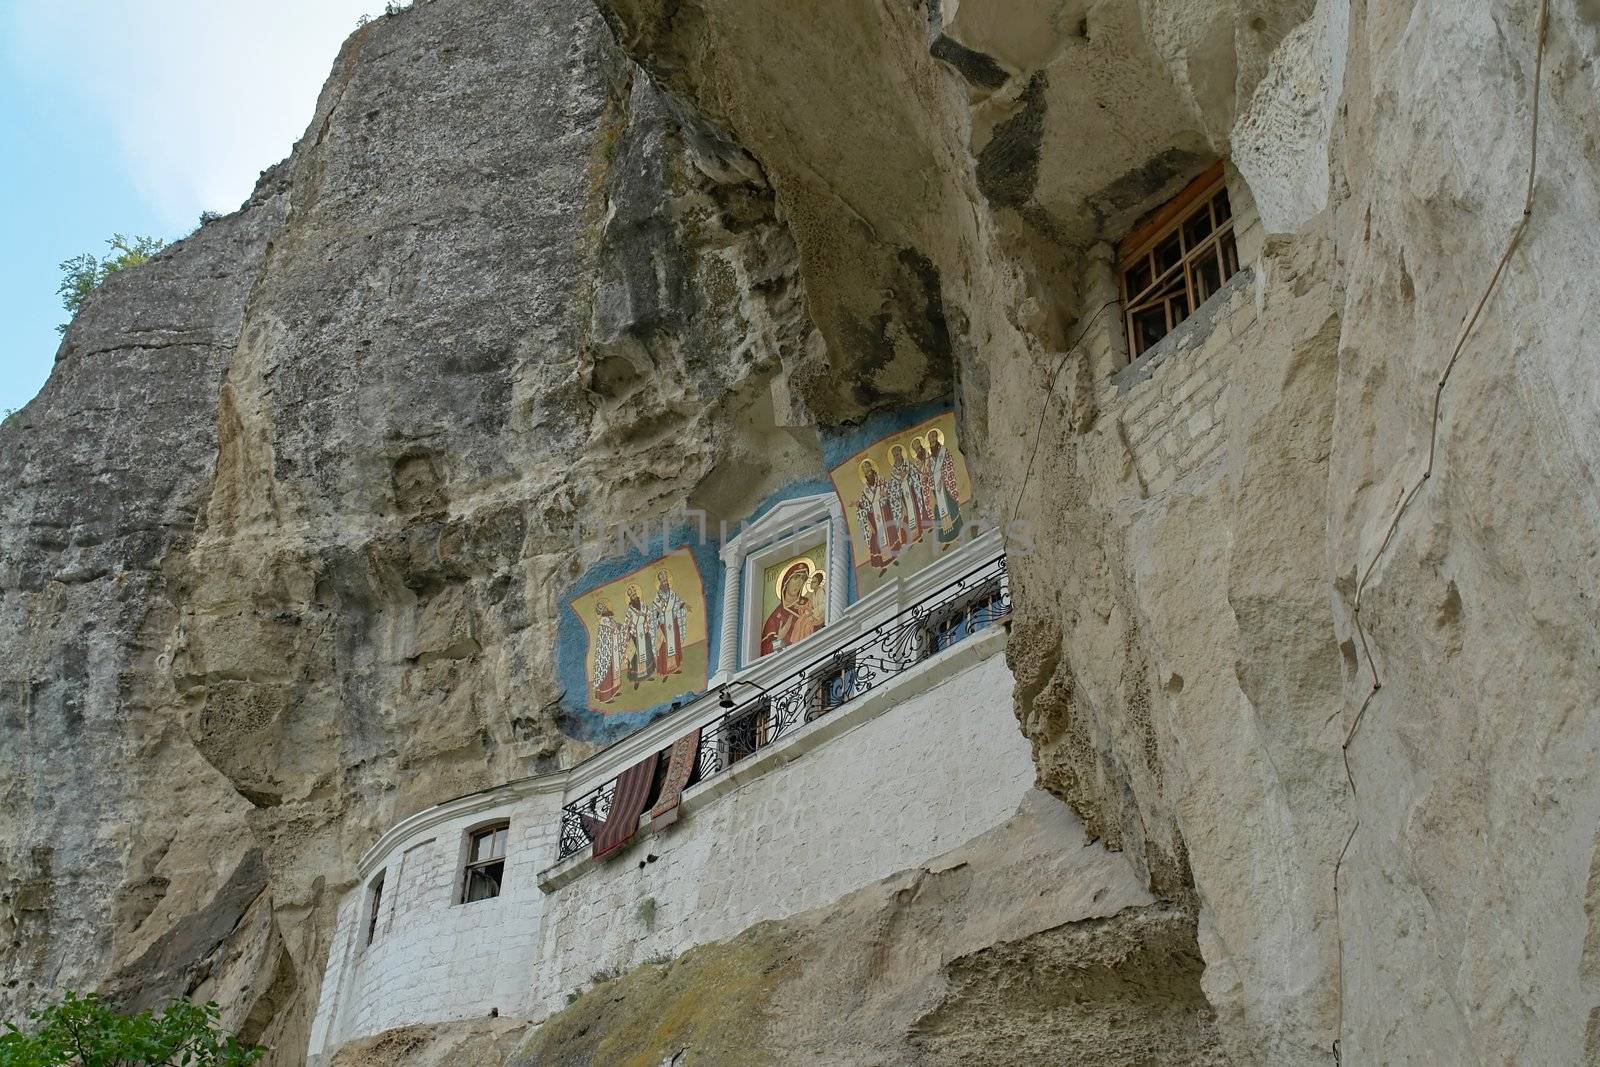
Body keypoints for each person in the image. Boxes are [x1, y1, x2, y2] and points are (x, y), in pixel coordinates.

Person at [760, 561, 824, 656]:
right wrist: (779, 640)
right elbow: (764, 651)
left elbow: (821, 625)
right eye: (796, 577)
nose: (799, 582)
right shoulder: (775, 618)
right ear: (786, 581)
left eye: (802, 579)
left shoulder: (809, 603)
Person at [855, 459, 898, 569]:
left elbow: (891, 491)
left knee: (890, 534)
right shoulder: (865, 490)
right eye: (864, 468)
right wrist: (858, 504)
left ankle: (893, 559)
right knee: (878, 538)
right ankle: (884, 564)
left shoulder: (881, 480)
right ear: (863, 472)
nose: (866, 469)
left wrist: (886, 494)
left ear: (871, 467)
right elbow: (865, 505)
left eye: (867, 466)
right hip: (875, 517)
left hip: (885, 512)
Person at [928, 428, 963, 544]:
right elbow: (927, 473)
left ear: (937, 438)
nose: (932, 439)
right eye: (930, 437)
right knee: (940, 511)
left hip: (946, 485)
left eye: (934, 436)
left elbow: (949, 463)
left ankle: (959, 533)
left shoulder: (944, 451)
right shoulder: (929, 457)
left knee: (952, 507)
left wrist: (944, 477)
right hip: (936, 488)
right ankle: (946, 538)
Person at [652, 569, 689, 676]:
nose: (665, 583)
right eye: (663, 581)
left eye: (666, 580)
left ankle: (675, 667)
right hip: (664, 626)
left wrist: (684, 605)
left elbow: (678, 603)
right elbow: (655, 614)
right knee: (664, 647)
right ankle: (665, 670)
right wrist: (661, 607)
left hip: (673, 623)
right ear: (660, 583)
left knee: (675, 644)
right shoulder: (657, 598)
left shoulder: (673, 594)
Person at [888, 443, 925, 545]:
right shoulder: (893, 472)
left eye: (898, 454)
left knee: (915, 511)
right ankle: (909, 538)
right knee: (906, 516)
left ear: (901, 454)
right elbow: (894, 487)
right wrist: (900, 480)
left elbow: (915, 473)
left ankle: (918, 534)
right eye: (895, 455)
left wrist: (908, 474)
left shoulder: (907, 463)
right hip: (902, 497)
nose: (897, 457)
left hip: (911, 492)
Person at [591, 601, 623, 704]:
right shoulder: (604, 621)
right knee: (607, 673)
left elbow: (616, 627)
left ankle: (613, 691)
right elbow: (612, 629)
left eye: (605, 607)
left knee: (613, 670)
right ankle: (605, 696)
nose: (606, 609)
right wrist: (617, 626)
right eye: (604, 609)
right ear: (601, 612)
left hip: (612, 649)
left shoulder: (609, 619)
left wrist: (618, 626)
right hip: (606, 653)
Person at [625, 584, 656, 687]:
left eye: (635, 594)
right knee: (636, 659)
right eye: (632, 596)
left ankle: (647, 675)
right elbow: (626, 624)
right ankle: (637, 680)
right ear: (630, 598)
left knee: (647, 654)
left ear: (637, 595)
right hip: (635, 636)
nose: (634, 597)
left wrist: (646, 616)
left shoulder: (642, 605)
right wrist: (628, 628)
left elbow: (650, 614)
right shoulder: (629, 611)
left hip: (644, 633)